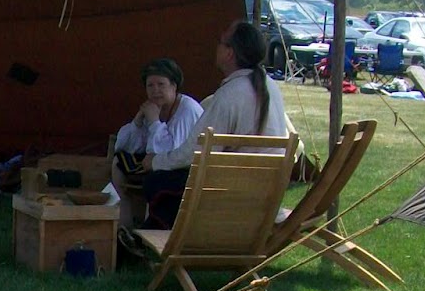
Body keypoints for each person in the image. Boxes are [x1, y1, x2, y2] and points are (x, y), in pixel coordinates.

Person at [122, 21, 293, 231]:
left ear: (229, 53)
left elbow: (193, 152)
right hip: (263, 191)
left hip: (231, 192)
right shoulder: (270, 86)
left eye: (220, 42)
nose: (216, 47)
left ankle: (168, 234)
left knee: (156, 182)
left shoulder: (230, 94)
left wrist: (155, 162)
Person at [110, 58, 203, 229]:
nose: (155, 91)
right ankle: (125, 224)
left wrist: (154, 122)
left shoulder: (187, 109)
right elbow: (125, 146)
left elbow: (172, 152)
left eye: (161, 84)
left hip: (184, 168)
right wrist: (138, 121)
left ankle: (151, 226)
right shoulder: (154, 107)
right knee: (118, 162)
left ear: (174, 86)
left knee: (154, 174)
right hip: (158, 160)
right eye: (150, 86)